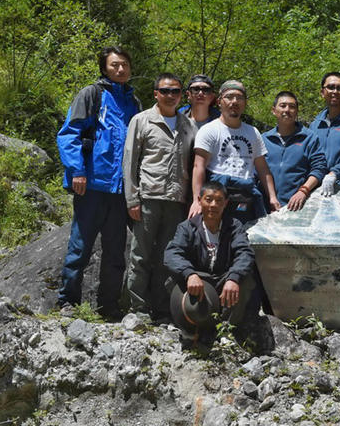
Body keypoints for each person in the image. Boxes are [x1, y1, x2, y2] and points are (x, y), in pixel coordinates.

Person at [56, 46, 141, 320]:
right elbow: (69, 134)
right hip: (91, 186)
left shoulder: (134, 103)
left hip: (120, 191)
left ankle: (109, 307)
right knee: (79, 248)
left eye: (124, 64)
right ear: (104, 68)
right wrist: (77, 170)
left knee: (116, 252)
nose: (120, 69)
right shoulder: (92, 95)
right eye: (115, 65)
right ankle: (67, 302)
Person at [122, 73, 197, 323]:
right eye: (165, 91)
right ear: (156, 94)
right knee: (140, 255)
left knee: (168, 257)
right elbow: (130, 161)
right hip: (148, 197)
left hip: (176, 200)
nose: (170, 95)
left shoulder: (188, 125)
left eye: (175, 91)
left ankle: (163, 308)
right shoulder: (142, 121)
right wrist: (132, 199)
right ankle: (138, 308)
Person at [164, 181, 257, 347]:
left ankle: (226, 330)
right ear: (199, 200)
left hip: (223, 278)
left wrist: (234, 278)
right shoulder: (187, 227)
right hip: (198, 279)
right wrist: (189, 274)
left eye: (219, 200)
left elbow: (245, 253)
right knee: (176, 282)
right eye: (208, 199)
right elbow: (172, 253)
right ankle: (191, 330)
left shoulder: (234, 226)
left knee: (245, 280)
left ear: (226, 203)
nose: (213, 205)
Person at [188, 80, 280, 222]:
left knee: (243, 240)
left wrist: (272, 197)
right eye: (229, 97)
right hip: (216, 195)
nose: (235, 101)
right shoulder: (209, 130)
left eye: (239, 97)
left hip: (245, 194)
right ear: (219, 102)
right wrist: (196, 200)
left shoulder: (253, 132)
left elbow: (262, 168)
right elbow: (199, 166)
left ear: (245, 103)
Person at [262, 91, 328, 210]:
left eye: (292, 106)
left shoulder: (310, 138)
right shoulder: (263, 139)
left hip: (297, 206)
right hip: (264, 205)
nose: (287, 110)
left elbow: (319, 168)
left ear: (297, 111)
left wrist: (304, 191)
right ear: (273, 110)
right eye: (283, 106)